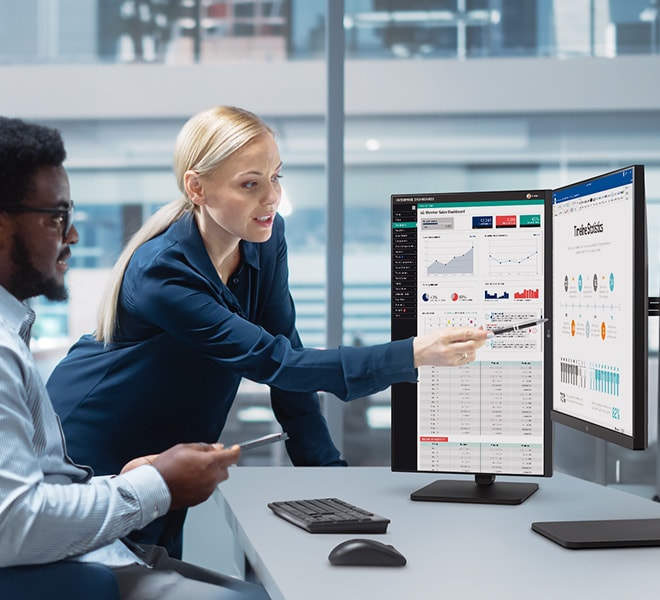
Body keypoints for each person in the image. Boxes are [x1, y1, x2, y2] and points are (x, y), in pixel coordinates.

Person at [46, 105, 488, 557]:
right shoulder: (163, 271)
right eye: (250, 184)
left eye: (276, 177)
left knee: (155, 574)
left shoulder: (265, 241)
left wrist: (331, 483)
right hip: (92, 446)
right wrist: (410, 353)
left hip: (165, 456)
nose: (271, 198)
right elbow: (273, 362)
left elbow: (287, 365)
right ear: (196, 187)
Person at [0, 116, 270, 599]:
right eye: (56, 216)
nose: (73, 235)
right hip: (65, 574)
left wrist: (128, 481)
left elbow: (29, 495)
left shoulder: (12, 331)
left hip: (90, 554)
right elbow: (12, 525)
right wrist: (155, 487)